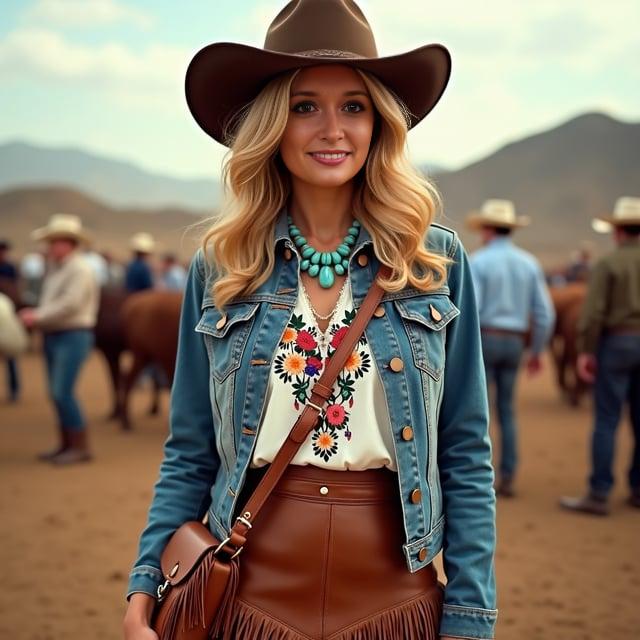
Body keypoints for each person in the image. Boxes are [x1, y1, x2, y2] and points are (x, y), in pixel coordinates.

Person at [124, 2, 497, 639]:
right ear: (272, 124)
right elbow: (189, 453)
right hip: (247, 599)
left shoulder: (432, 262)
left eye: (354, 105)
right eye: (305, 106)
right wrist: (143, 585)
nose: (333, 129)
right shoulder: (220, 268)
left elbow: (465, 452)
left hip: (395, 602)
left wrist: (468, 616)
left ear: (379, 123)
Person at [467, 200, 555, 497]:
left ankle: (482, 475)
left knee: (479, 410)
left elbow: (472, 309)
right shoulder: (529, 263)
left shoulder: (478, 261)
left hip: (485, 338)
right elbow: (545, 314)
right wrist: (538, 351)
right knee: (507, 409)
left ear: (488, 229)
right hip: (516, 341)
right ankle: (509, 474)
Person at [561, 196, 640, 515]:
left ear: (618, 231)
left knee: (607, 419)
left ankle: (599, 492)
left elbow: (592, 314)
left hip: (617, 344)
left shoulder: (608, 264)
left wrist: (585, 351)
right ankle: (638, 488)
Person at [18, 214, 100, 465]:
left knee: (62, 391)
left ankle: (79, 447)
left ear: (69, 243)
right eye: (50, 241)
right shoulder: (58, 269)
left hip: (72, 334)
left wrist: (37, 315)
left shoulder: (79, 269)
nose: (50, 246)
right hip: (57, 334)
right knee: (57, 392)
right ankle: (67, 443)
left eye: (55, 241)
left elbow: (69, 305)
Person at [0, 239, 21, 402]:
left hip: (6, 313)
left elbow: (15, 289)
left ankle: (14, 389)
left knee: (11, 354)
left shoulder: (9, 268)